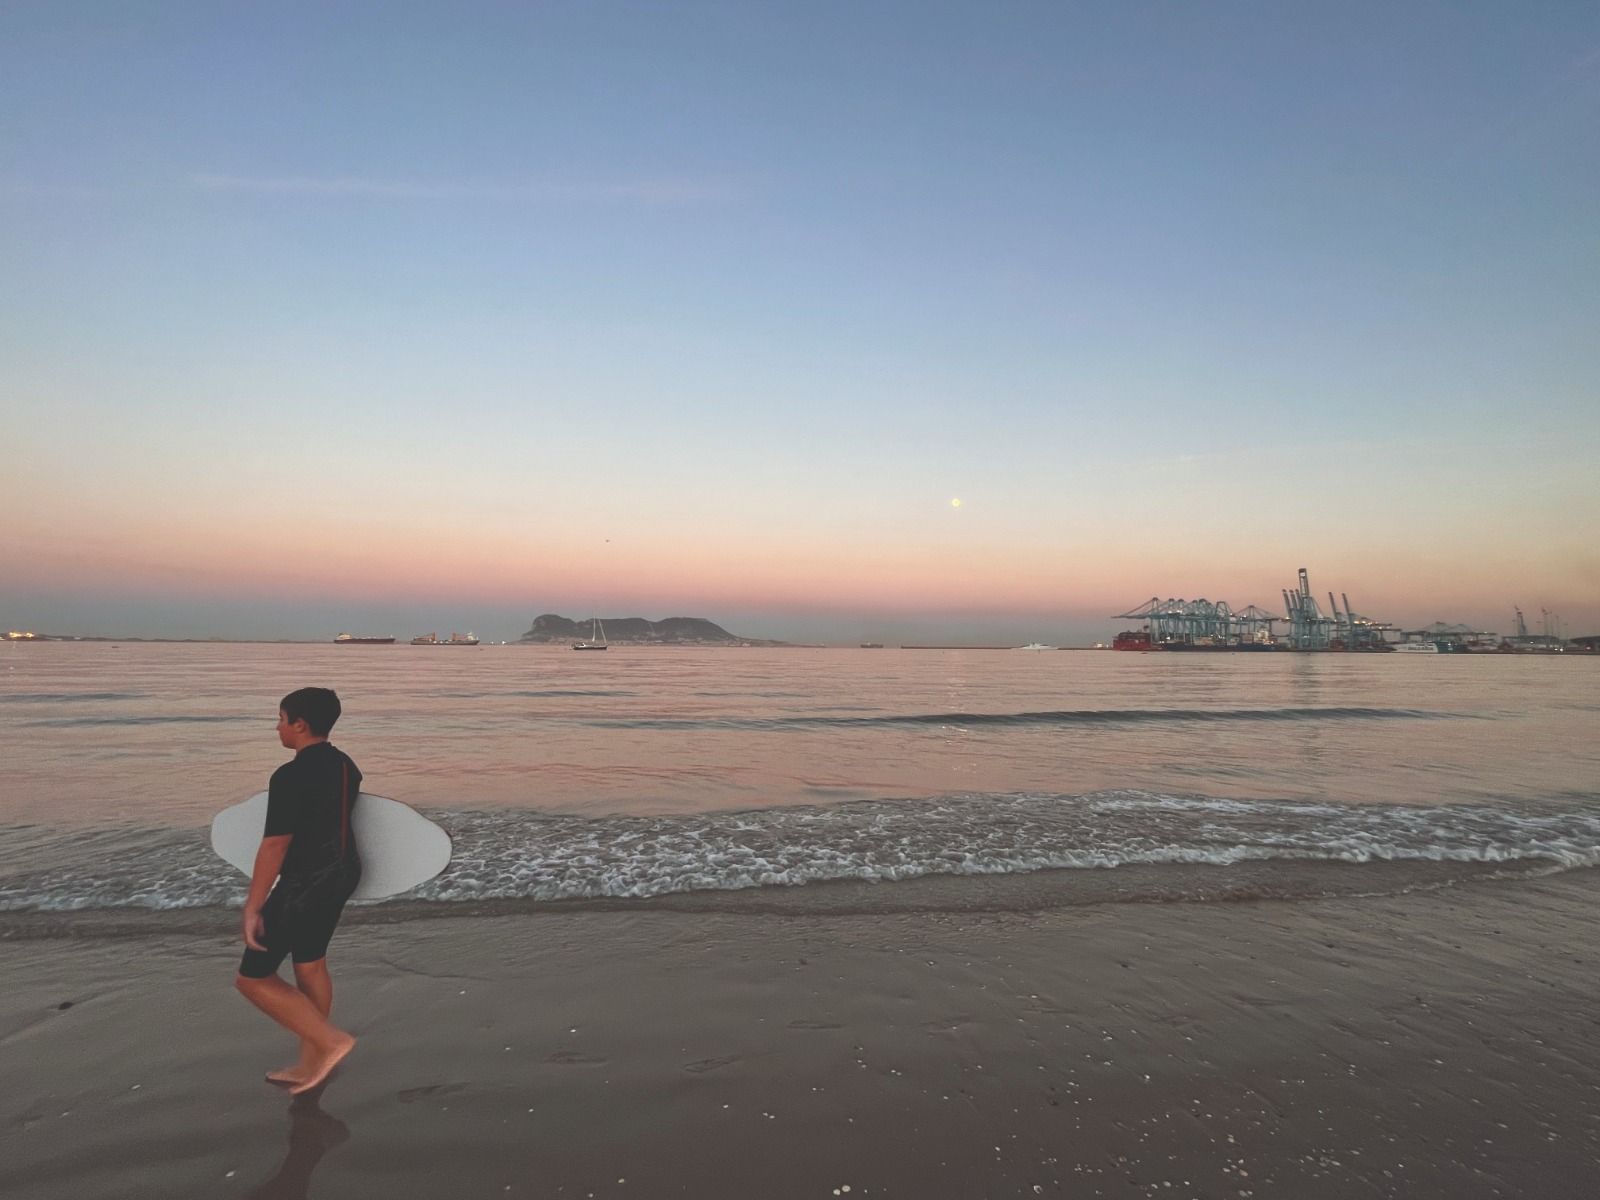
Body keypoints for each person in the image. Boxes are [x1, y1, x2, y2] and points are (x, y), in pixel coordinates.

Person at [235, 687, 362, 1095]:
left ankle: (331, 1042)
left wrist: (254, 907)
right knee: (310, 967)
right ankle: (312, 1063)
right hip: (341, 874)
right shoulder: (346, 766)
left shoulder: (289, 775)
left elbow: (275, 844)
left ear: (300, 724)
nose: (278, 727)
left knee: (252, 979)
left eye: (281, 718)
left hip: (305, 883)